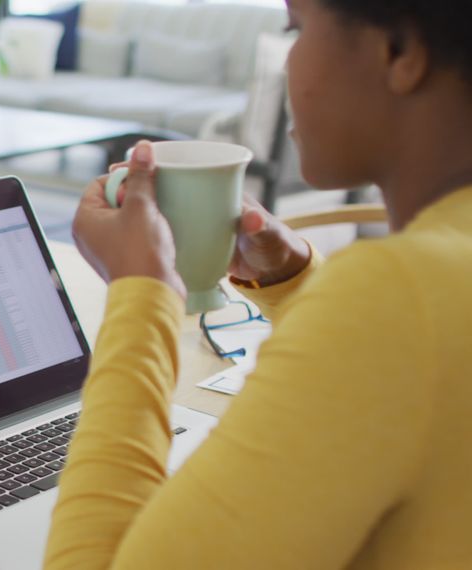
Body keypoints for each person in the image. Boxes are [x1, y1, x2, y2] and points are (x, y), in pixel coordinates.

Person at [44, 0, 472, 567]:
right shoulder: (424, 291)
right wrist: (297, 284)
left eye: (296, 28)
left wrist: (141, 291)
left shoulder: (396, 300)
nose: (283, 62)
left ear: (400, 52)